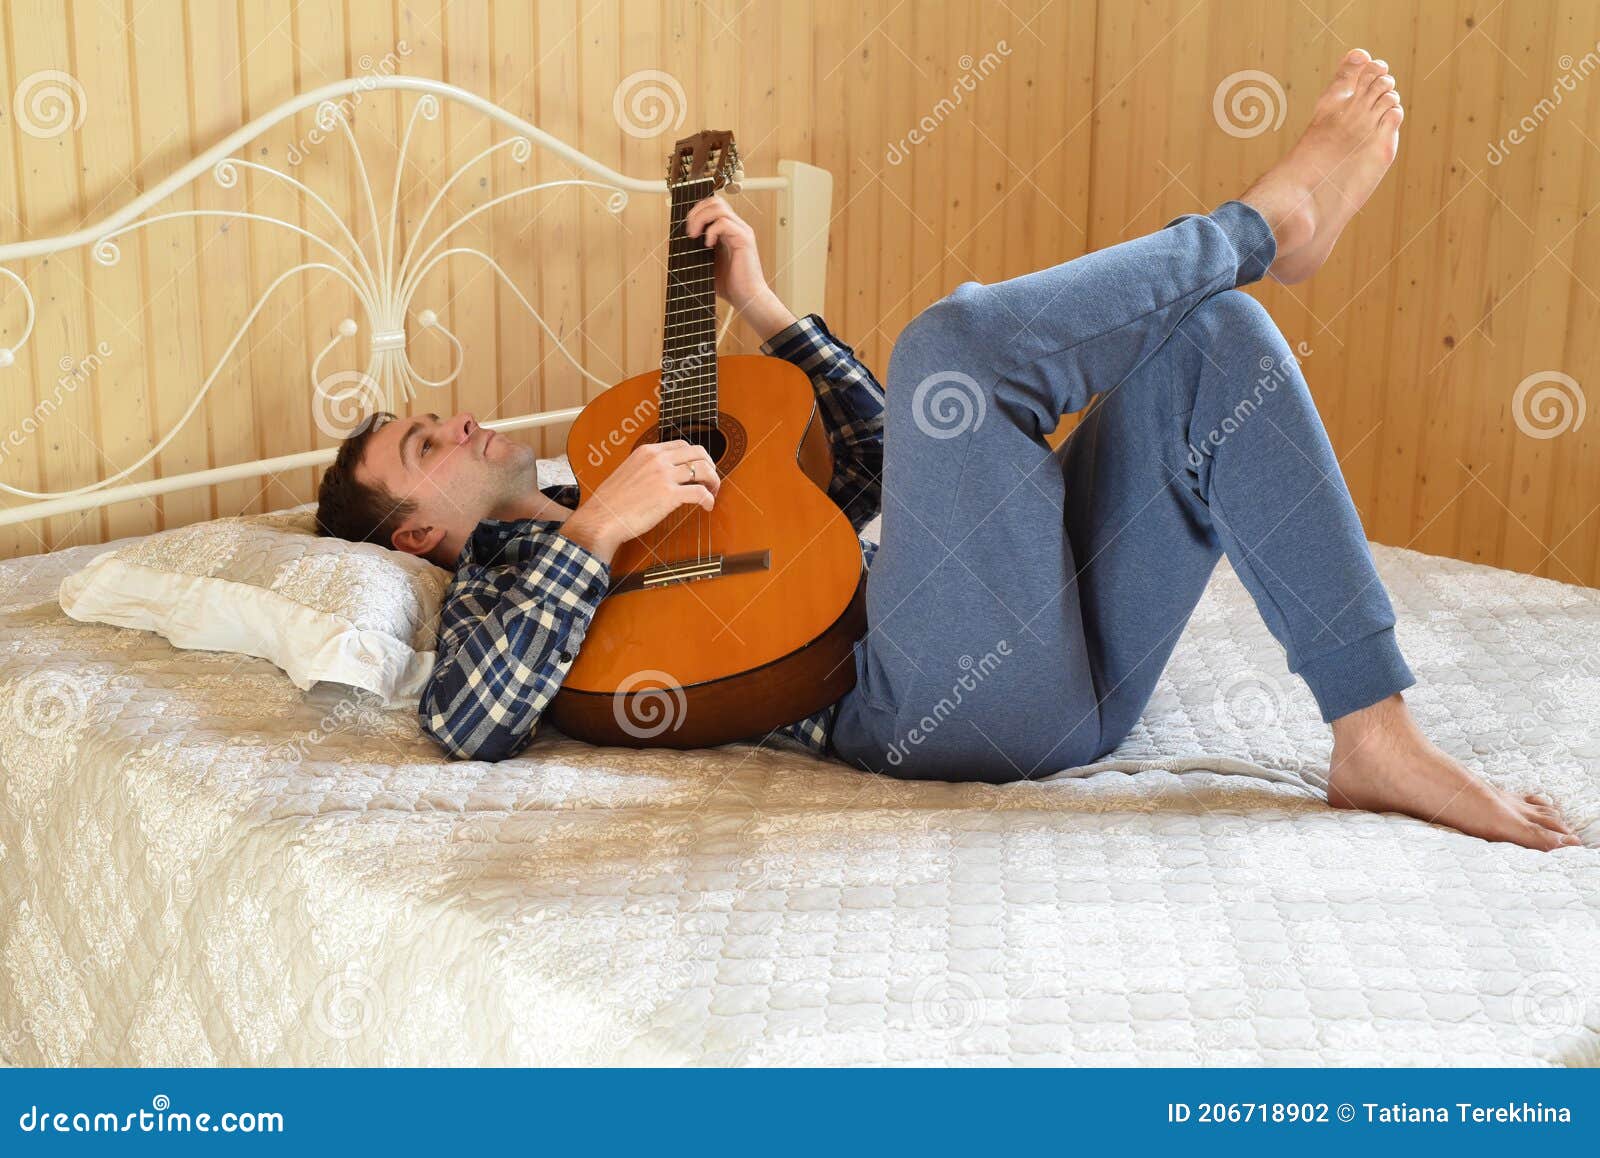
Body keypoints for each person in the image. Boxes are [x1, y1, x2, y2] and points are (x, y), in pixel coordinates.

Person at [316, 49, 1579, 852]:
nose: (459, 419)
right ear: (416, 531)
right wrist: (599, 526)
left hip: (1058, 655)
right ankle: (1261, 224)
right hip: (919, 705)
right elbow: (468, 726)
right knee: (950, 344)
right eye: (423, 442)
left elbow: (890, 461)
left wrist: (765, 313)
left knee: (1216, 341)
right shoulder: (490, 602)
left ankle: (1372, 734)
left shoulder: (626, 451)